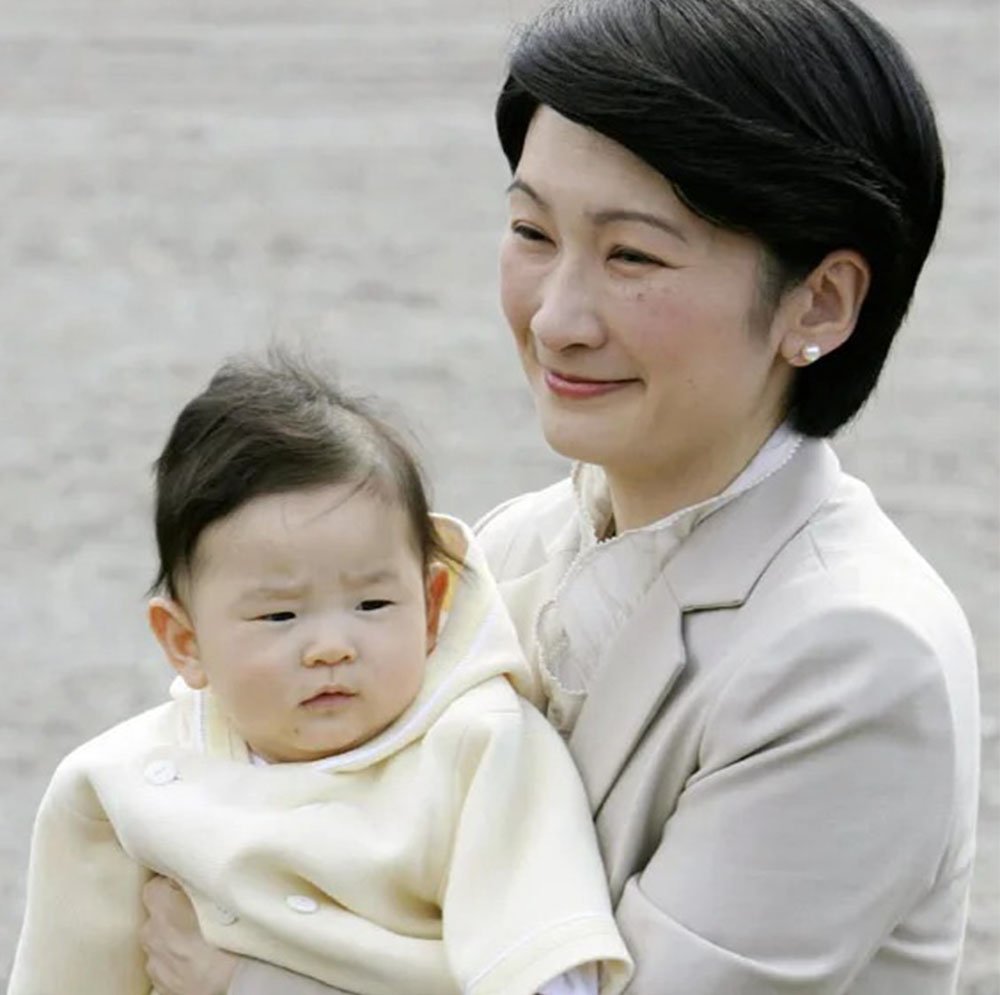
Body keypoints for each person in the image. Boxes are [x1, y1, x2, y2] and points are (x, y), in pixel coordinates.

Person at [137, 0, 981, 992]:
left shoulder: (852, 656)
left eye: (632, 255)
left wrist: (241, 979)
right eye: (532, 230)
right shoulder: (512, 546)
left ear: (820, 300)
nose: (556, 316)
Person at [9, 354, 634, 995]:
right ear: (185, 642)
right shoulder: (117, 785)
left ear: (432, 606)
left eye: (373, 604)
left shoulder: (481, 750)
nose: (330, 647)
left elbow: (546, 973)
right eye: (279, 615)